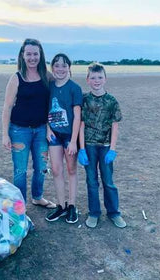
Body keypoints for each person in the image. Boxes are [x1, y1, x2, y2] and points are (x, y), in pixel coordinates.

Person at [2, 38, 56, 209]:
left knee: (41, 167)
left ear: (40, 55)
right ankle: (20, 205)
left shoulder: (47, 76)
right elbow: (7, 107)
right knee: (20, 171)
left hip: (41, 130)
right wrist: (5, 134)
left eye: (35, 54)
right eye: (29, 54)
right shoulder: (16, 78)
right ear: (22, 55)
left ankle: (37, 197)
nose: (32, 57)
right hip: (19, 131)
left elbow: (57, 97)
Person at [78, 63, 126, 228]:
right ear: (88, 80)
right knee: (91, 181)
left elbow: (115, 126)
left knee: (108, 181)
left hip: (105, 147)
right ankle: (94, 213)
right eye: (93, 78)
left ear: (105, 79)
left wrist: (112, 149)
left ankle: (114, 212)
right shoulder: (84, 99)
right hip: (89, 146)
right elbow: (81, 124)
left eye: (99, 77)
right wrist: (82, 148)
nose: (96, 80)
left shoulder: (111, 101)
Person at [45, 53, 82, 223]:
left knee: (71, 170)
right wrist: (47, 128)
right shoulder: (50, 86)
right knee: (56, 170)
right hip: (54, 135)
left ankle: (72, 205)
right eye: (57, 65)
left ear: (69, 68)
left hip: (69, 135)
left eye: (64, 65)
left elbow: (77, 115)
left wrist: (74, 140)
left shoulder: (74, 88)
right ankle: (61, 205)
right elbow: (44, 109)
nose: (60, 69)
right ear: (52, 68)